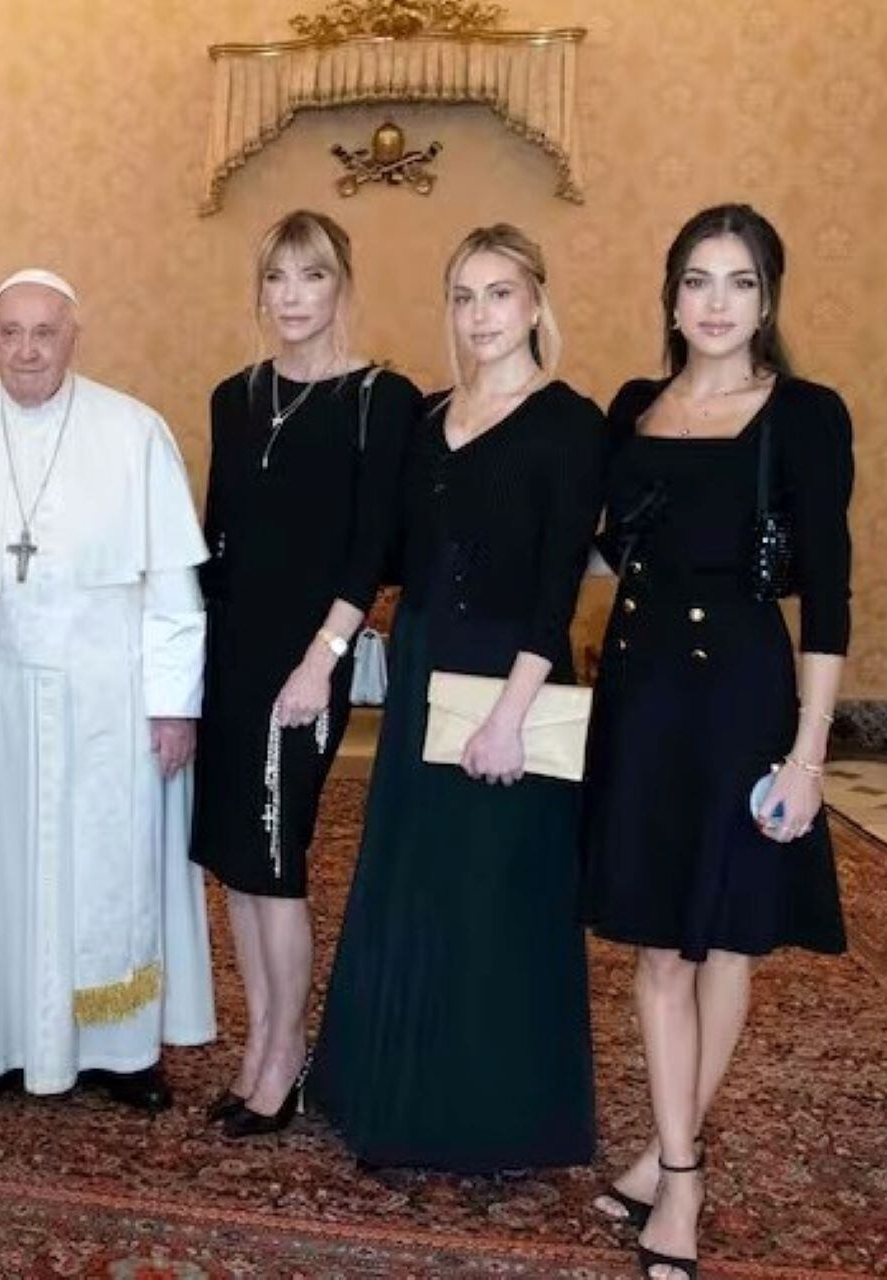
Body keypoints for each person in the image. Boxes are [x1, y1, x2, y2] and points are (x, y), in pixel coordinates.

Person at [581, 204, 853, 1280]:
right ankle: (677, 1163)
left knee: (728, 937)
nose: (716, 302)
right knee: (658, 942)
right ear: (672, 293)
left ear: (770, 297)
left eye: (739, 281)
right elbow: (598, 555)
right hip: (642, 696)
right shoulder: (632, 407)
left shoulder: (805, 415)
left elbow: (827, 595)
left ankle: (671, 1168)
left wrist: (810, 750)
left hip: (744, 697)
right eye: (697, 279)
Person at [306, 225, 603, 1170]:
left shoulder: (571, 421)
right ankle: (391, 1094)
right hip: (429, 666)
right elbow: (375, 555)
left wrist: (510, 716)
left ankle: (493, 1120)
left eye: (500, 294)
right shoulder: (427, 417)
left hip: (513, 675)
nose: (482, 316)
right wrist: (323, 651)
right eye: (465, 297)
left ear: (536, 302)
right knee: (416, 886)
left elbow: (558, 585)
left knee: (495, 900)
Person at [0, 268, 215, 1111]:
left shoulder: (134, 429)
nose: (26, 349)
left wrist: (175, 703)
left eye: (44, 332)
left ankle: (120, 1051)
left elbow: (176, 591)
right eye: (10, 332)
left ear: (74, 336)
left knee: (114, 870)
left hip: (112, 693)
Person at [192, 210, 419, 1138]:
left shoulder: (380, 398)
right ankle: (257, 1048)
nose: (292, 297)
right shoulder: (234, 395)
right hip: (230, 660)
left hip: (306, 664)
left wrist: (320, 662)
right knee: (238, 870)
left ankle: (285, 1058)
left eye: (312, 276)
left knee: (278, 864)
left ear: (342, 285)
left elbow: (371, 549)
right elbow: (215, 540)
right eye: (277, 279)